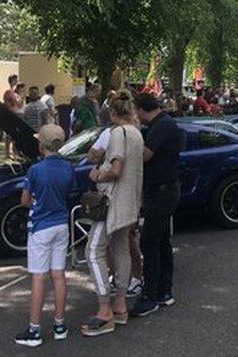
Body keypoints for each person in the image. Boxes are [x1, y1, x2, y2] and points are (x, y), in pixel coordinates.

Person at [81, 90, 145, 336]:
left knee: (92, 250)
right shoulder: (137, 134)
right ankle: (120, 304)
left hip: (110, 202)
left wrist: (98, 174)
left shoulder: (117, 133)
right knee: (121, 249)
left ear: (111, 112)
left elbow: (116, 169)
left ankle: (104, 309)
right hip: (129, 203)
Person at [14, 124, 73, 347]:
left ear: (41, 146)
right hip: (61, 224)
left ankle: (35, 329)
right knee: (59, 274)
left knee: (39, 276)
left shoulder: (36, 170)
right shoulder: (68, 168)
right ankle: (59, 325)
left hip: (41, 226)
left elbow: (24, 200)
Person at [131, 92, 182, 318]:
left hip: (162, 192)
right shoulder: (163, 124)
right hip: (163, 190)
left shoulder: (162, 125)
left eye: (136, 112)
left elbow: (145, 155)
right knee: (161, 242)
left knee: (149, 243)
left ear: (142, 109)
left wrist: (133, 134)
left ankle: (150, 295)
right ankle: (164, 291)